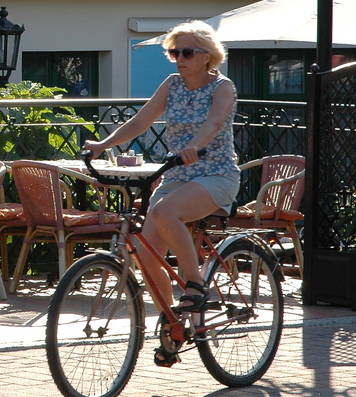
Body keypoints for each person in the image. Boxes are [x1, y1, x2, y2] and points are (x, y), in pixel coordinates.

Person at [82, 20, 240, 367]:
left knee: (166, 212)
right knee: (145, 252)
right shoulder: (171, 84)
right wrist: (103, 145)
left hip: (215, 174)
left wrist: (195, 146)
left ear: (207, 56)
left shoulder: (222, 88)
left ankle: (195, 285)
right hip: (177, 175)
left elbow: (214, 123)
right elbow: (140, 121)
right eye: (174, 52)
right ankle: (173, 326)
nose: (179, 58)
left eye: (186, 52)